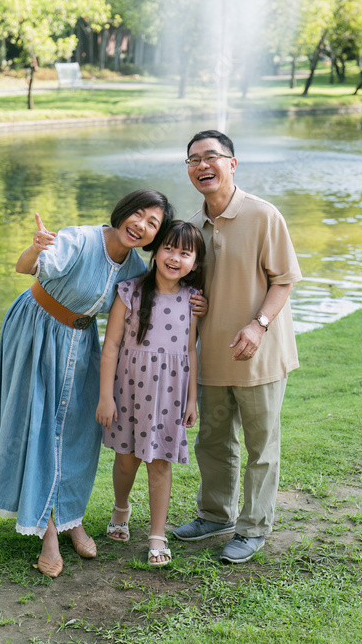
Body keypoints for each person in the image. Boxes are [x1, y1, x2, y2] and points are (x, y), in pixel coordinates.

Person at [0, 190, 173, 578]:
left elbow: (158, 297)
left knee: (80, 430)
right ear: (121, 212)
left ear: (156, 236)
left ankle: (70, 517)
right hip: (36, 330)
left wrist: (194, 303)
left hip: (81, 342)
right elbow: (25, 268)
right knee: (38, 423)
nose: (141, 226)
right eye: (137, 214)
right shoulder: (79, 239)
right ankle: (48, 531)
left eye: (153, 223)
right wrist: (35, 249)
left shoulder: (135, 268)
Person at [173, 130, 302, 563]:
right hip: (212, 356)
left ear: (232, 163)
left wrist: (258, 324)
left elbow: (282, 280)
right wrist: (193, 298)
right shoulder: (192, 228)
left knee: (260, 446)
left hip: (259, 353)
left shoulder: (264, 216)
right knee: (212, 440)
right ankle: (215, 514)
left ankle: (253, 528)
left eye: (212, 157)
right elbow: (183, 285)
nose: (202, 166)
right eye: (194, 160)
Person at [96, 221, 205, 567]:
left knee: (160, 464)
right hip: (128, 389)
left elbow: (190, 352)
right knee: (126, 460)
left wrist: (191, 399)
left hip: (169, 394)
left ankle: (157, 534)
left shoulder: (193, 300)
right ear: (155, 251)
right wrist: (105, 396)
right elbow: (111, 344)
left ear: (195, 263)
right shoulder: (129, 291)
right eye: (168, 248)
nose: (175, 258)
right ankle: (121, 508)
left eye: (185, 253)